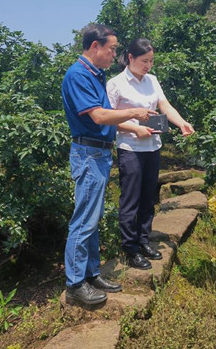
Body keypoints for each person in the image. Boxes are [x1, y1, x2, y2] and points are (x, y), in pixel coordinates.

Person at [61, 24, 156, 305]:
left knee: (93, 217)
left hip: (99, 153)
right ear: (95, 46)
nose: (115, 55)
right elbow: (100, 116)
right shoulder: (78, 74)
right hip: (88, 154)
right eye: (112, 49)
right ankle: (75, 284)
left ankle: (91, 274)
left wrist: (133, 125)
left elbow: (106, 116)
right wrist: (135, 113)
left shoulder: (95, 74)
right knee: (84, 220)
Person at [107, 38, 195, 270]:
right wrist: (134, 129)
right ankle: (130, 249)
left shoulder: (152, 80)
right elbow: (108, 118)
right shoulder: (115, 84)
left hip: (152, 146)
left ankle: (143, 241)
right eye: (144, 61)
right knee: (131, 199)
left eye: (151, 61)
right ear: (130, 58)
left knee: (148, 197)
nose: (148, 65)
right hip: (130, 149)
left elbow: (164, 106)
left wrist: (181, 123)